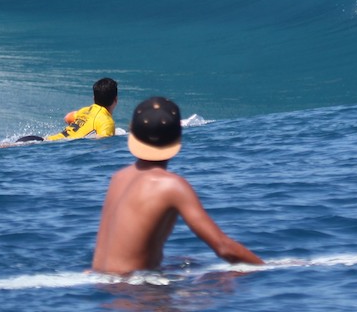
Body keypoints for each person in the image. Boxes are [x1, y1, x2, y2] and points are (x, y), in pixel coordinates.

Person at [90, 96, 264, 275]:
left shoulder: (119, 178)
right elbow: (224, 248)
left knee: (187, 264)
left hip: (100, 285)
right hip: (137, 294)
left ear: (131, 132)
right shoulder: (171, 186)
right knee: (222, 284)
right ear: (178, 136)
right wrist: (268, 270)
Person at [44, 77, 119, 141]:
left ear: (94, 98)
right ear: (115, 100)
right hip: (57, 147)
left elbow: (67, 118)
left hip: (46, 140)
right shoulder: (107, 122)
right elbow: (102, 144)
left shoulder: (86, 110)